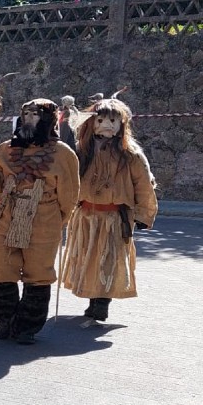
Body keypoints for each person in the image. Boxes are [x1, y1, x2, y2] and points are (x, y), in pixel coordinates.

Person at [0, 98, 80, 345]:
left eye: (35, 115)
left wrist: (55, 222)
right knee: (1, 266)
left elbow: (69, 197)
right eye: (26, 115)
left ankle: (27, 326)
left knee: (38, 272)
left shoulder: (64, 155)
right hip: (6, 217)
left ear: (49, 120)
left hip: (44, 221)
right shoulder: (4, 149)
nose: (29, 119)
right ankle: (5, 319)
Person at [62, 98, 157, 322]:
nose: (107, 124)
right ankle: (92, 297)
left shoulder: (131, 154)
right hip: (85, 215)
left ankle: (101, 302)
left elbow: (143, 184)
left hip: (114, 217)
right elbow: (67, 179)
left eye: (113, 120)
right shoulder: (81, 151)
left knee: (108, 259)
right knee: (87, 257)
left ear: (121, 123)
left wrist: (144, 214)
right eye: (102, 119)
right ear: (92, 122)